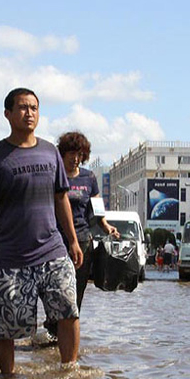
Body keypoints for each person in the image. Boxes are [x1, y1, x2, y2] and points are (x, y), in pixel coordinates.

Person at [0, 87, 84, 376]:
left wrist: (72, 240)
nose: (29, 113)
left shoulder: (50, 152)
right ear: (8, 114)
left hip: (53, 250)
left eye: (34, 107)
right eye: (22, 108)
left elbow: (61, 198)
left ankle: (69, 372)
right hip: (10, 257)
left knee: (68, 309)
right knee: (5, 324)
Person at [44, 131, 119, 338]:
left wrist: (106, 226)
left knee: (76, 290)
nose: (75, 158)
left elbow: (97, 208)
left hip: (83, 240)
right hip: (55, 241)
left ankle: (67, 333)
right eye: (71, 153)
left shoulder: (89, 178)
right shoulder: (53, 175)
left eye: (80, 154)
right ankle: (53, 326)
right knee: (54, 288)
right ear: (63, 154)